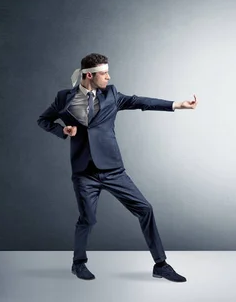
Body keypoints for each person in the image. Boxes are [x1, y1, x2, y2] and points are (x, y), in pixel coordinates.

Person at [37, 53, 197, 282]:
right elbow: (43, 120)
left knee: (145, 209)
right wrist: (62, 131)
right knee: (88, 219)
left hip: (112, 170)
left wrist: (177, 105)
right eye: (104, 73)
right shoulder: (64, 98)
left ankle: (160, 265)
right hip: (84, 173)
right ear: (89, 75)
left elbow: (140, 102)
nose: (108, 77)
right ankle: (78, 263)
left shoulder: (111, 95)